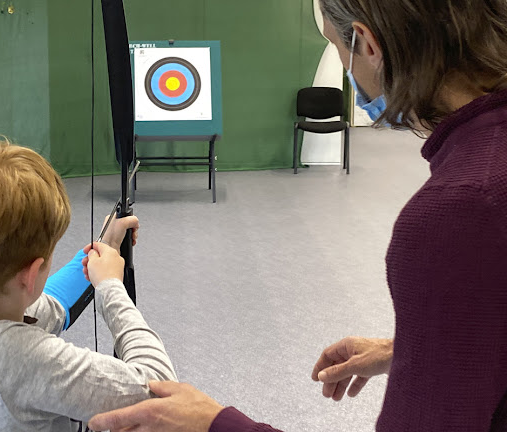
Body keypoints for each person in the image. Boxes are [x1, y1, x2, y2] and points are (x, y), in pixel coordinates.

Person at [88, 0, 507, 430]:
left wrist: (214, 424)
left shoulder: (463, 210)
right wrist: (413, 348)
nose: (344, 63)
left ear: (367, 45)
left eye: (336, 45)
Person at [0, 139, 177, 431]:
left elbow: (48, 304)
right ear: (31, 273)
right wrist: (111, 286)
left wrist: (105, 245)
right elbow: (162, 391)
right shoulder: (15, 358)